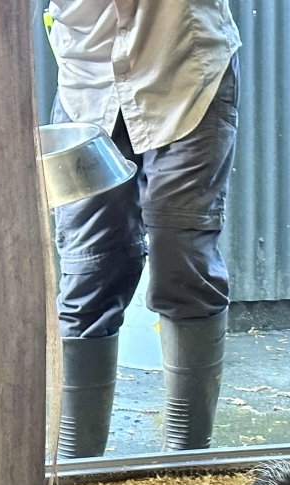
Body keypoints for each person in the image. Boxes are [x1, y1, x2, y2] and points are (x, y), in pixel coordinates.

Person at [46, 0, 241, 458]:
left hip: (186, 72)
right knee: (88, 269)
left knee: (182, 256)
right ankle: (77, 462)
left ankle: (187, 457)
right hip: (85, 82)